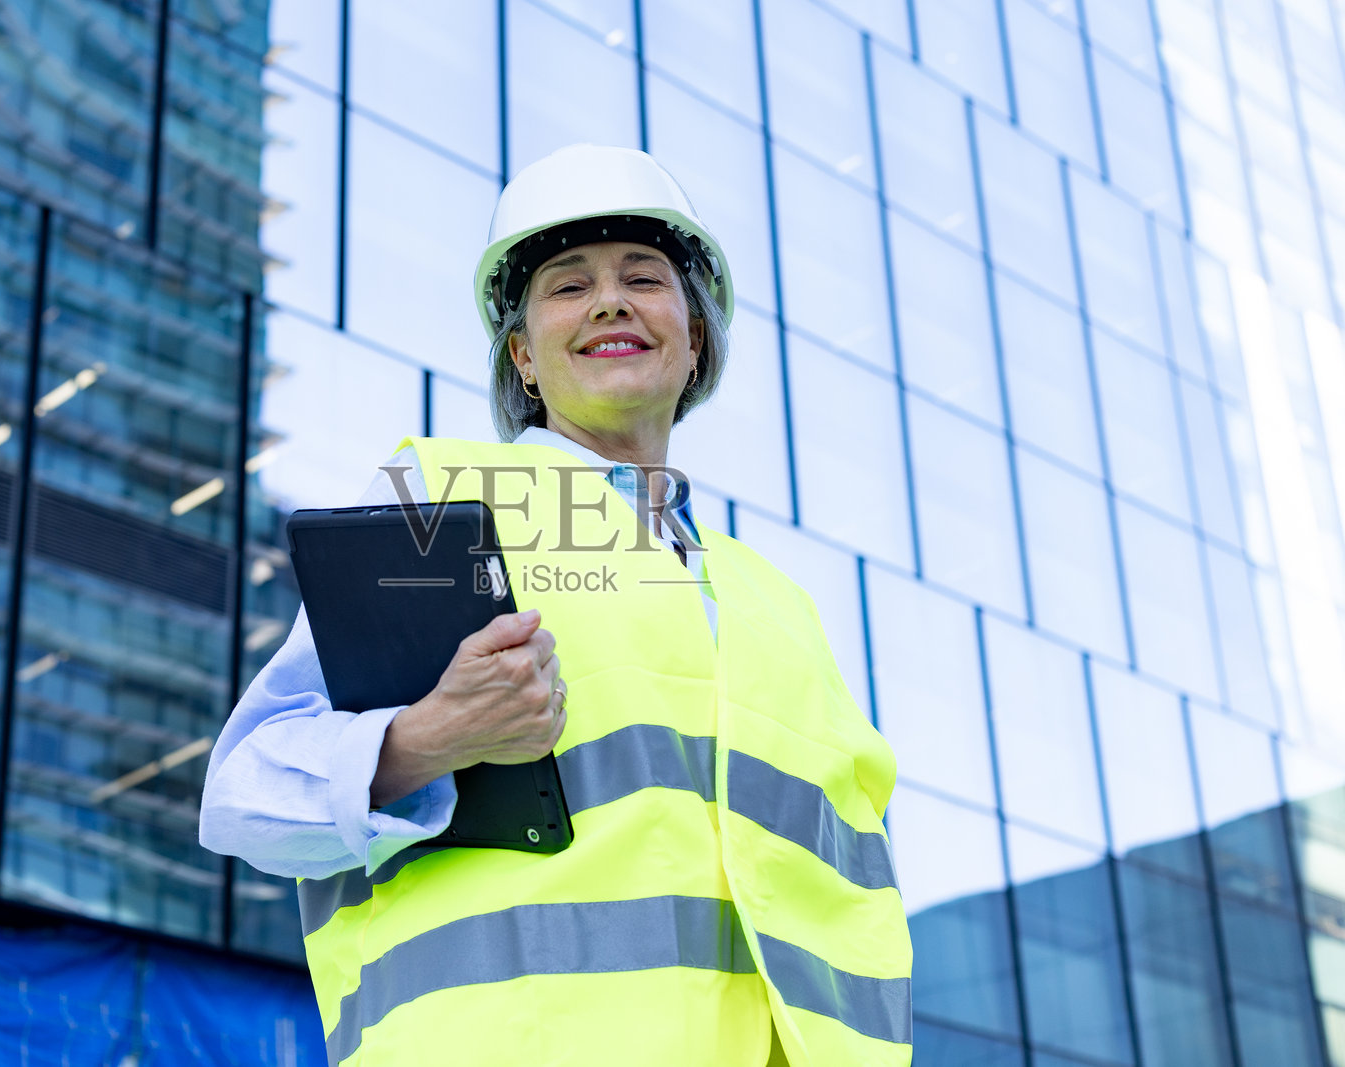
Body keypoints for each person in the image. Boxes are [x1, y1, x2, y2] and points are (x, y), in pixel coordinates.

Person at [201, 144, 912, 1066]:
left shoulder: (779, 607)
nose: (611, 301)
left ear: (694, 337)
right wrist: (428, 740)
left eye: (644, 278)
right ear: (524, 358)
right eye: (569, 286)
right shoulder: (443, 500)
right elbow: (244, 796)